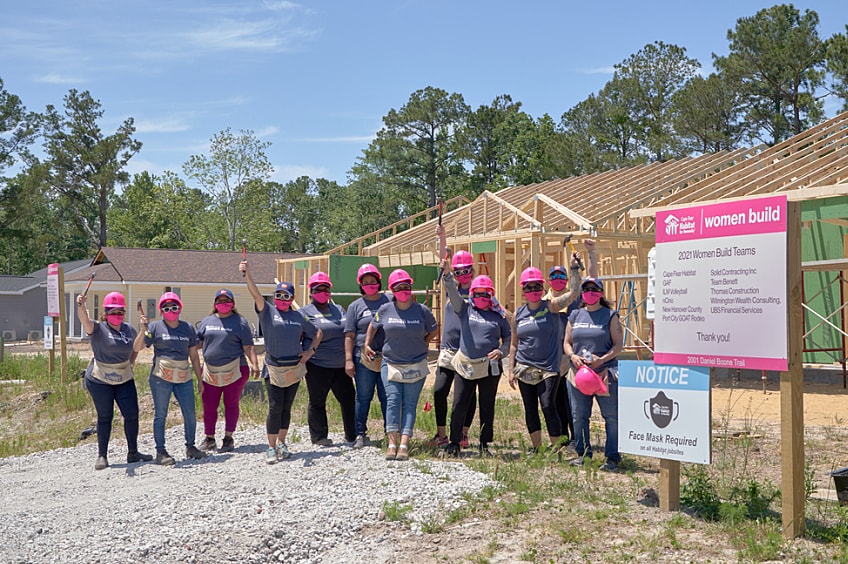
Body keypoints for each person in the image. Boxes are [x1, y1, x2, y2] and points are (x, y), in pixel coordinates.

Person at [241, 260, 322, 464]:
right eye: (278, 295)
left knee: (287, 407)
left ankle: (282, 442)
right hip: (274, 368)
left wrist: (309, 352)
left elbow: (318, 332)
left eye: (286, 296)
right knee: (275, 407)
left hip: (293, 367)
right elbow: (255, 294)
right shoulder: (268, 312)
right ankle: (271, 447)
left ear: (292, 298)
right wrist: (247, 275)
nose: (282, 299)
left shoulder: (299, 316)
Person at [364, 269, 438, 461]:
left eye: (407, 286)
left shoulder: (422, 311)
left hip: (416, 364)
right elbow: (373, 325)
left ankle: (404, 444)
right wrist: (367, 344)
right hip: (391, 364)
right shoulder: (385, 310)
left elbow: (434, 328)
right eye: (399, 287)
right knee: (392, 401)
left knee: (410, 404)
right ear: (392, 290)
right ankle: (392, 443)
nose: (404, 290)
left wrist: (424, 342)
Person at [508, 259, 580, 453]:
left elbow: (573, 293)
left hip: (549, 367)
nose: (533, 290)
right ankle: (537, 448)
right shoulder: (519, 314)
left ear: (542, 287)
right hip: (524, 367)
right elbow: (514, 344)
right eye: (529, 287)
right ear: (523, 289)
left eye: (537, 286)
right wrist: (510, 370)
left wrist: (574, 269)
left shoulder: (551, 306)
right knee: (530, 407)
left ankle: (557, 448)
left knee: (548, 404)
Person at [76, 291, 151, 470]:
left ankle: (133, 452)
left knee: (132, 414)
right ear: (106, 313)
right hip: (100, 379)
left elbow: (137, 347)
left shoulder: (129, 330)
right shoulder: (98, 328)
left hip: (124, 378)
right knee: (105, 417)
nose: (117, 315)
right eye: (113, 312)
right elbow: (84, 321)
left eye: (120, 312)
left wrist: (142, 330)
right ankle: (102, 456)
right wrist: (81, 305)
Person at [133, 292, 207, 465]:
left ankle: (191, 447)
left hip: (183, 376)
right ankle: (161, 452)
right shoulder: (155, 328)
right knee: (161, 415)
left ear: (180, 308)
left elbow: (194, 356)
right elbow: (137, 347)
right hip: (161, 377)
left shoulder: (188, 328)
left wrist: (200, 379)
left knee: (190, 413)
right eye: (166, 308)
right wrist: (143, 329)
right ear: (161, 311)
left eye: (174, 307)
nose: (171, 310)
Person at [442, 271, 511, 457]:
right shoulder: (465, 309)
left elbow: (507, 338)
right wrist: (448, 275)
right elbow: (452, 292)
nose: (482, 297)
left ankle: (484, 444)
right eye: (478, 293)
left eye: (486, 293)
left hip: (490, 366)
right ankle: (454, 442)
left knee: (487, 405)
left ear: (491, 295)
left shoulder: (499, 315)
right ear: (472, 294)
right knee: (459, 404)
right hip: (465, 364)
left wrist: (501, 351)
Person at [563, 277, 624, 471]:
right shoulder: (575, 315)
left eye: (594, 289)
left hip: (604, 373)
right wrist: (572, 356)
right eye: (587, 289)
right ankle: (583, 454)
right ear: (582, 293)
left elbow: (618, 345)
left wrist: (603, 359)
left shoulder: (610, 315)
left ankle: (612, 457)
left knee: (611, 416)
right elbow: (567, 342)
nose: (590, 292)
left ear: (601, 292)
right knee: (579, 415)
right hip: (579, 374)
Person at [545, 239, 599, 444]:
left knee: (573, 401)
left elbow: (593, 280)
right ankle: (563, 438)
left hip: (575, 356)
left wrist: (590, 255)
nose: (558, 279)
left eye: (562, 275)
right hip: (552, 358)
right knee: (556, 400)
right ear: (549, 280)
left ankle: (577, 438)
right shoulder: (546, 301)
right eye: (554, 276)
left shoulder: (576, 298)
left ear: (568, 279)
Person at [197, 288, 260, 453]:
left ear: (233, 304)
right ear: (215, 304)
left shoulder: (240, 322)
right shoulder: (207, 321)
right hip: (210, 371)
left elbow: (248, 345)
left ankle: (228, 438)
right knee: (209, 405)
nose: (223, 304)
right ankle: (209, 438)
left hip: (235, 369)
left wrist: (254, 363)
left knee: (231, 404)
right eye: (220, 301)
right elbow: (197, 343)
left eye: (227, 301)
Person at [430, 225, 476, 448]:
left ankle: (464, 434)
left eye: (466, 270)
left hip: (467, 351)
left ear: (473, 271)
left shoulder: (479, 292)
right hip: (448, 351)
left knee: (466, 396)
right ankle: (441, 434)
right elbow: (444, 262)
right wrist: (442, 238)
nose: (463, 275)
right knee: (439, 391)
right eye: (459, 272)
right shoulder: (450, 288)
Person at [300, 271, 356, 446]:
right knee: (317, 401)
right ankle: (319, 437)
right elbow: (298, 337)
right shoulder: (304, 312)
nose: (322, 292)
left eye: (325, 288)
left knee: (348, 400)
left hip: (341, 365)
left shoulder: (338, 309)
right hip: (318, 365)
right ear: (311, 292)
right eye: (318, 289)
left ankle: (352, 435)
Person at [344, 263, 389, 449]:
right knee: (363, 397)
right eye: (366, 282)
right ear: (360, 284)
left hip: (387, 357)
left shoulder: (389, 301)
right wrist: (348, 360)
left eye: (373, 281)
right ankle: (360, 433)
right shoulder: (355, 306)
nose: (370, 284)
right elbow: (349, 335)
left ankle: (390, 433)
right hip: (363, 358)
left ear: (379, 282)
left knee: (387, 396)